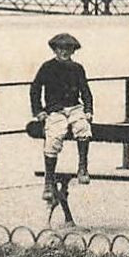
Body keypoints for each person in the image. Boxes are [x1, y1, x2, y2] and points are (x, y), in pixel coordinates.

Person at [31, 32, 94, 201]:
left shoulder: (77, 68)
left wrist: (88, 109)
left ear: (73, 51)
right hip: (55, 110)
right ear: (55, 50)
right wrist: (38, 111)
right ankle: (49, 181)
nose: (64, 52)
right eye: (61, 49)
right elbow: (35, 89)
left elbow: (85, 91)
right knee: (54, 137)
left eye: (68, 49)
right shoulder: (47, 67)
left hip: (74, 108)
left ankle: (82, 168)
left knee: (83, 128)